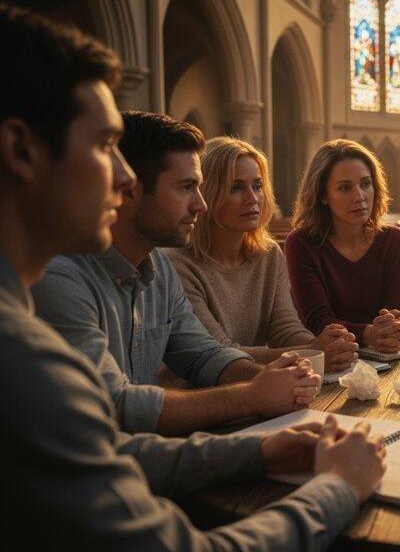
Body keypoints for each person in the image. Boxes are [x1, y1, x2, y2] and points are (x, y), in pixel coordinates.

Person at [0, 4, 385, 550]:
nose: (124, 176)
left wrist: (259, 448)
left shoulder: (153, 268)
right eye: (106, 146)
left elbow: (115, 441)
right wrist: (337, 488)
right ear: (21, 149)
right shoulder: (26, 341)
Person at [32, 111, 320, 436]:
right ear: (130, 189)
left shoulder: (159, 267)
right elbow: (115, 410)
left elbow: (203, 354)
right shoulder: (61, 276)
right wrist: (251, 396)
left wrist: (266, 379)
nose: (201, 204)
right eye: (186, 187)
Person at [166, 136, 359, 371]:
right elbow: (219, 351)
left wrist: (324, 345)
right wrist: (312, 353)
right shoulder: (177, 264)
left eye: (257, 186)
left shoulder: (268, 255)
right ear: (207, 194)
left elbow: (284, 327)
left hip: (259, 383)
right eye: (236, 188)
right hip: (203, 393)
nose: (252, 198)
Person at [285, 139, 400, 354]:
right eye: (345, 188)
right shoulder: (301, 244)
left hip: (386, 355)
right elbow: (318, 320)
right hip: (331, 358)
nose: (359, 197)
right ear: (323, 195)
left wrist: (399, 326)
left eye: (365, 184)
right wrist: (370, 334)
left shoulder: (394, 240)